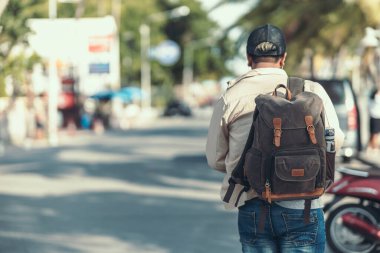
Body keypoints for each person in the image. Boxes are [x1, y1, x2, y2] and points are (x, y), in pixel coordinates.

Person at [206, 24, 345, 253]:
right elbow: (335, 140)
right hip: (304, 204)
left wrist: (255, 166)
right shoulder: (311, 90)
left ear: (249, 58)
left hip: (251, 203)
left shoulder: (230, 96)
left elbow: (215, 159)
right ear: (283, 58)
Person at [368, 88, 380, 152]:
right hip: (377, 117)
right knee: (376, 134)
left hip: (372, 117)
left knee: (373, 133)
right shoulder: (377, 98)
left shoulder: (370, 98)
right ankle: (374, 147)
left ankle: (370, 147)